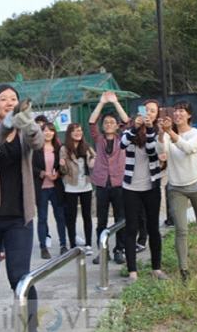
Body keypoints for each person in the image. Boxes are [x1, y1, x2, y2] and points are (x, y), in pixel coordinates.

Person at [0, 84, 43, 332]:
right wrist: (9, 122)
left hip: (19, 216)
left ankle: (31, 326)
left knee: (20, 277)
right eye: (3, 99)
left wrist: (30, 124)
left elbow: (39, 143)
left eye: (13, 98)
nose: (9, 102)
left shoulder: (25, 130)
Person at [157, 100, 197, 281]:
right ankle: (184, 270)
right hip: (176, 187)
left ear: (189, 115)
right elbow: (161, 151)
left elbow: (189, 149)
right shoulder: (167, 134)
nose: (177, 114)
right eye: (175, 111)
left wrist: (169, 132)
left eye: (181, 111)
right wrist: (161, 134)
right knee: (181, 229)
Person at [120, 100, 168, 284]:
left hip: (151, 186)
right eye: (146, 109)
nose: (149, 113)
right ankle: (132, 271)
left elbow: (151, 151)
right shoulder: (129, 130)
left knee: (153, 228)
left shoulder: (157, 133)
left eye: (152, 111)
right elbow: (122, 145)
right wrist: (136, 127)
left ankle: (156, 267)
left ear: (157, 115)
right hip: (130, 187)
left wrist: (148, 130)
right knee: (131, 229)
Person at [88, 91, 128, 265]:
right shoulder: (98, 140)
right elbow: (91, 122)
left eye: (112, 122)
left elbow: (127, 123)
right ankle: (102, 251)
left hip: (120, 183)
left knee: (120, 218)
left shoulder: (123, 138)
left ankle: (119, 249)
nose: (109, 124)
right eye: (106, 122)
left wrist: (116, 103)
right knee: (101, 220)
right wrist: (102, 103)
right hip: (102, 184)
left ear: (116, 125)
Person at [59, 123, 96, 255]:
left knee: (87, 216)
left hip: (86, 185)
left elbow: (96, 157)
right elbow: (63, 170)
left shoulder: (86, 147)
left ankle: (88, 244)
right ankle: (73, 245)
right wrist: (62, 165)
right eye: (74, 131)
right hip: (71, 185)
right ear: (69, 133)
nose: (77, 133)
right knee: (71, 217)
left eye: (79, 131)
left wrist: (92, 161)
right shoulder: (64, 149)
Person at [32, 123, 67, 259]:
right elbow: (31, 167)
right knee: (42, 218)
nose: (48, 133)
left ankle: (63, 244)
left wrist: (58, 173)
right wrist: (43, 173)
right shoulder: (36, 149)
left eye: (51, 131)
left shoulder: (59, 149)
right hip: (41, 188)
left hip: (56, 187)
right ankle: (43, 247)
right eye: (45, 131)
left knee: (60, 216)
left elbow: (62, 167)